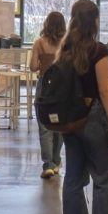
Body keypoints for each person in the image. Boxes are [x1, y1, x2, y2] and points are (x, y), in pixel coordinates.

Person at [58, 0, 108, 214]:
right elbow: (104, 90)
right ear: (95, 21)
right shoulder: (98, 50)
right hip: (93, 116)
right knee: (105, 176)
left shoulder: (64, 49)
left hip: (69, 119)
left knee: (74, 177)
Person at [29, 11, 67, 178]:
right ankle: (57, 159)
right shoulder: (66, 43)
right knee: (60, 125)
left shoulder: (39, 43)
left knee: (45, 126)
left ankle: (48, 164)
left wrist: (43, 63)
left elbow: (32, 67)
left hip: (44, 86)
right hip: (62, 87)